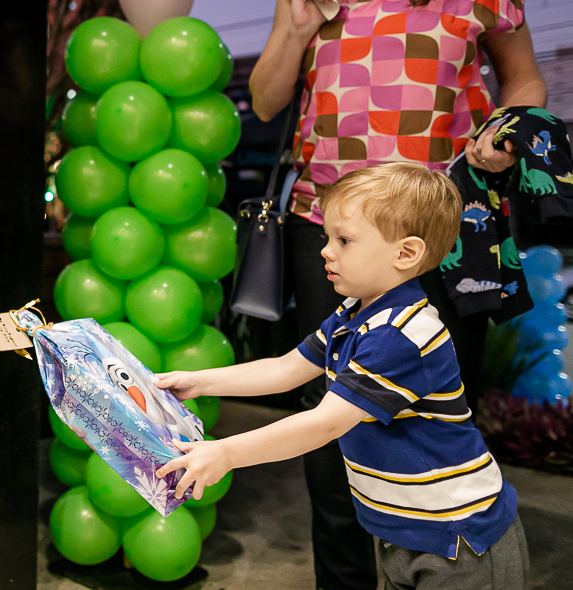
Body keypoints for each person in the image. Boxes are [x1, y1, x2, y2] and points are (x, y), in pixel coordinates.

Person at [247, 0, 545, 587]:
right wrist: (300, 27)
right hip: (329, 233)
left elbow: (522, 81)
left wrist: (505, 143)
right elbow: (270, 100)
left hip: (445, 230)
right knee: (330, 433)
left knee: (435, 424)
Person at [157, 162, 529, 590]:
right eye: (328, 237)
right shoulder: (355, 312)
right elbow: (285, 369)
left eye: (344, 240)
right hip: (404, 532)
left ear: (406, 253)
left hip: (460, 541)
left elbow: (326, 422)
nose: (325, 251)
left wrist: (224, 454)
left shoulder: (401, 334)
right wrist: (200, 381)